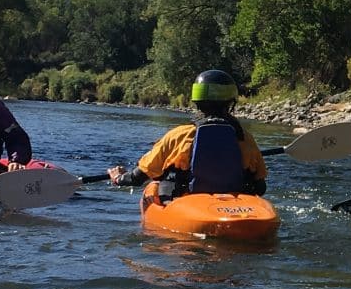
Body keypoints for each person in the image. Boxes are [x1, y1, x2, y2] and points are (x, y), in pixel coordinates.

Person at [107, 68, 267, 197]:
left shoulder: (179, 135)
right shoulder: (244, 138)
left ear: (197, 102)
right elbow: (260, 186)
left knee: (155, 185)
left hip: (185, 200)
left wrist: (118, 178)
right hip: (235, 201)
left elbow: (138, 176)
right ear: (231, 102)